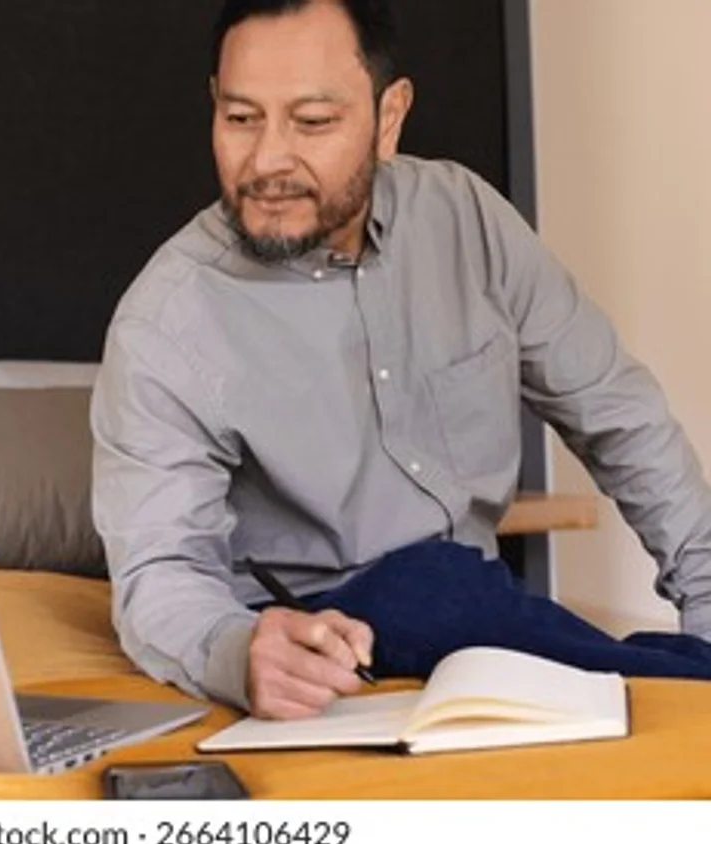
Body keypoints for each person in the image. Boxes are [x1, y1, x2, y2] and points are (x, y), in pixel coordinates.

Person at [89, 0, 711, 720]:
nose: (267, 160)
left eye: (313, 122)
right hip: (316, 626)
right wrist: (239, 651)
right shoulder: (166, 321)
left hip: (477, 608)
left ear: (389, 118)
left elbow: (619, 416)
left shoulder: (466, 220)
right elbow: (159, 572)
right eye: (240, 118)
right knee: (430, 591)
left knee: (452, 592)